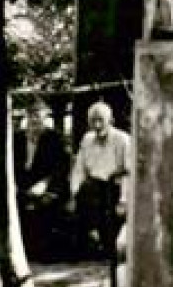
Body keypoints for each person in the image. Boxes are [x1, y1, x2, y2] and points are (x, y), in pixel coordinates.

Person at [69, 101, 130, 258]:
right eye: (93, 121)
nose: (97, 125)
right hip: (91, 190)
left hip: (114, 188)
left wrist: (123, 201)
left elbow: (129, 172)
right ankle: (90, 241)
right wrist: (74, 193)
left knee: (93, 193)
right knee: (86, 191)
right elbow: (79, 169)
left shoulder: (122, 139)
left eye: (100, 120)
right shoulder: (87, 139)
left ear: (110, 120)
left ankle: (99, 240)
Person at [14, 109, 70, 258]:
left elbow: (60, 169)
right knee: (16, 203)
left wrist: (45, 185)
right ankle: (22, 250)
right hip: (22, 184)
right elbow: (11, 167)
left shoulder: (54, 139)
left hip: (47, 183)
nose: (34, 122)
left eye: (38, 117)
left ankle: (44, 251)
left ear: (45, 120)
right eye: (31, 117)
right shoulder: (17, 138)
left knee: (46, 204)